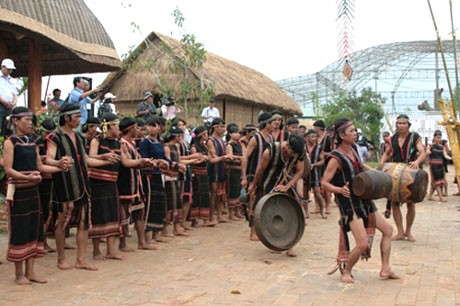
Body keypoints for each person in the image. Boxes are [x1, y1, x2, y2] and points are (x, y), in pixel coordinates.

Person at [322, 118, 399, 283]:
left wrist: (381, 175)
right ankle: (346, 272)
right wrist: (339, 190)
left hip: (364, 198)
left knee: (388, 230)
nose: (356, 134)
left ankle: (385, 268)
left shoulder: (354, 149)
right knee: (362, 243)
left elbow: (362, 167)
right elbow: (324, 183)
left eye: (355, 131)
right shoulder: (335, 158)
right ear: (342, 135)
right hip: (349, 204)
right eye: (352, 131)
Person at [46, 103, 114, 271]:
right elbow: (48, 160)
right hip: (64, 185)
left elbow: (85, 160)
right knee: (62, 222)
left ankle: (81, 259)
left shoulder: (79, 137)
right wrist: (59, 162)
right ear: (66, 118)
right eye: (76, 116)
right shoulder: (55, 137)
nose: (79, 120)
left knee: (84, 222)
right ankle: (61, 259)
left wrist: (104, 159)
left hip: (82, 184)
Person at [3, 107, 65, 285]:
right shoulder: (10, 143)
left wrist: (60, 167)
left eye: (31, 120)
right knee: (20, 230)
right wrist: (27, 177)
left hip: (33, 191)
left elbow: (40, 166)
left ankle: (31, 271)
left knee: (34, 228)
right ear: (16, 121)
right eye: (26, 120)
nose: (30, 123)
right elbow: (8, 169)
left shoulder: (32, 141)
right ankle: (19, 273)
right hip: (19, 192)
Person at [248, 134, 306, 257]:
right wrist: (253, 185)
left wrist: (287, 186)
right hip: (268, 182)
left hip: (286, 183)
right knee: (263, 211)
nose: (293, 156)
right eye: (292, 152)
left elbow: (300, 171)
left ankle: (290, 245)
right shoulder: (270, 151)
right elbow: (261, 169)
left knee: (291, 212)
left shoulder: (300, 152)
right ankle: (274, 242)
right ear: (288, 146)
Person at [379, 114, 426, 242]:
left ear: (408, 125)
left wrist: (417, 162)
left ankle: (408, 232)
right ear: (396, 125)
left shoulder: (414, 137)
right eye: (399, 123)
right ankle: (400, 231)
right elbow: (387, 153)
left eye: (404, 123)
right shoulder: (392, 138)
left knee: (411, 203)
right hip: (394, 173)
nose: (401, 125)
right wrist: (381, 166)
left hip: (410, 173)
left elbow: (423, 152)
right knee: (395, 203)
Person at [118, 117, 157, 251]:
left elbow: (137, 161)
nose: (138, 130)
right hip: (125, 183)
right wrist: (143, 162)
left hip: (136, 183)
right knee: (123, 213)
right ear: (131, 129)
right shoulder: (122, 144)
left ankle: (142, 241)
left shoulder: (132, 143)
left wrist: (148, 162)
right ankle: (122, 243)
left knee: (139, 210)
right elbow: (126, 162)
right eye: (136, 127)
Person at [88, 113, 123, 261]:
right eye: (116, 125)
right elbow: (90, 156)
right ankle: (96, 251)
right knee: (98, 215)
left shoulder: (117, 143)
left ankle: (111, 250)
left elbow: (124, 161)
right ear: (109, 126)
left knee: (112, 215)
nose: (118, 128)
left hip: (112, 183)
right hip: (98, 183)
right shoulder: (97, 141)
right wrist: (104, 157)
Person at [241, 112, 275, 240]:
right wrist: (244, 177)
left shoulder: (271, 138)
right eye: (272, 123)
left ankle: (262, 230)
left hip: (266, 177)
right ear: (266, 124)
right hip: (253, 175)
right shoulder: (255, 138)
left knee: (265, 203)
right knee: (253, 203)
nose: (274, 125)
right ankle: (253, 232)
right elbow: (245, 157)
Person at [207, 118, 233, 223]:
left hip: (222, 168)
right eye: (221, 127)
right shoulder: (211, 140)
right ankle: (211, 217)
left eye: (223, 126)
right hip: (214, 169)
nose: (223, 129)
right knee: (214, 193)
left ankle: (219, 215)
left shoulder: (221, 141)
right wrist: (224, 157)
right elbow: (213, 155)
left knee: (221, 193)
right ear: (215, 127)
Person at [189, 126, 213, 227]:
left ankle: (205, 219)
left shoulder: (204, 146)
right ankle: (194, 220)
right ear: (201, 135)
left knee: (205, 195)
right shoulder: (194, 147)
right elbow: (194, 160)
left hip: (204, 173)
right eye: (206, 134)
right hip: (197, 173)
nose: (207, 136)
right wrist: (202, 159)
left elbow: (211, 158)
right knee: (197, 195)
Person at [305, 129, 327, 218]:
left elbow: (322, 161)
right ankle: (306, 212)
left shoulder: (319, 148)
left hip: (315, 173)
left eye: (315, 137)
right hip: (305, 173)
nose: (314, 138)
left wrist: (314, 165)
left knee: (317, 193)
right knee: (304, 194)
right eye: (312, 136)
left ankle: (322, 211)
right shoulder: (303, 147)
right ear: (307, 137)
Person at [225, 123, 245, 220]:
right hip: (232, 171)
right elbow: (230, 157)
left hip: (239, 171)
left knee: (238, 191)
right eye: (234, 133)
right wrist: (241, 158)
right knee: (232, 191)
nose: (237, 135)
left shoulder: (239, 144)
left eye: (238, 133)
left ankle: (237, 212)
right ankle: (231, 214)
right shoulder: (229, 145)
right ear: (230, 134)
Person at [426, 131, 451, 202]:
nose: (438, 139)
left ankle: (430, 196)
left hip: (440, 166)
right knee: (437, 182)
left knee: (436, 182)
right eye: (437, 138)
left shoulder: (442, 147)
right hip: (433, 166)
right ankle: (441, 198)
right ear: (434, 138)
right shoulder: (430, 145)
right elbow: (427, 151)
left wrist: (452, 158)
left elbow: (445, 155)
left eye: (440, 138)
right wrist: (428, 152)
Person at [0, 58, 18, 134]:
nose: (9, 71)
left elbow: (15, 93)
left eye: (11, 69)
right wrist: (5, 102)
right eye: (8, 69)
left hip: (10, 107)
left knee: (8, 127)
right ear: (2, 67)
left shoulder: (12, 80)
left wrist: (13, 102)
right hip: (1, 106)